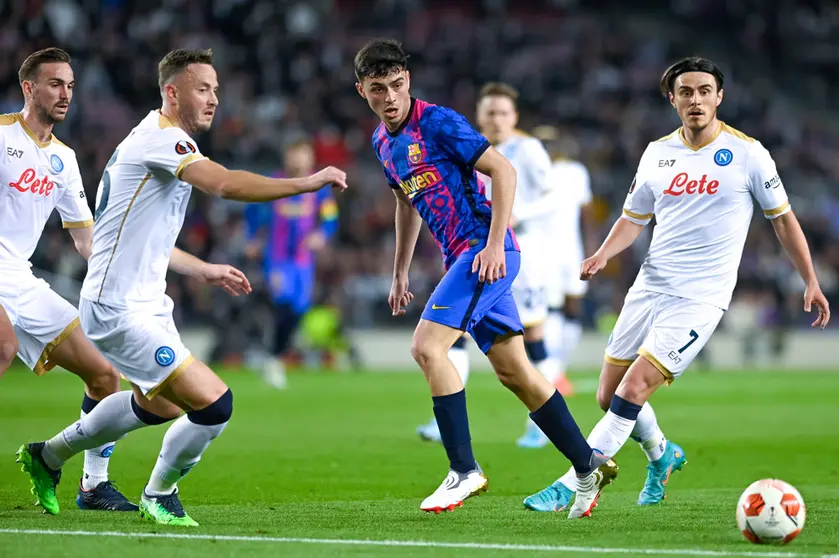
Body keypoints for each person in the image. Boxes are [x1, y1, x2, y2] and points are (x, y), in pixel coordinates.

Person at [17, 48, 347, 527]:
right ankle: (159, 493)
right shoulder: (161, 140)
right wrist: (306, 182)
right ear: (172, 92)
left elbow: (139, 239)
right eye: (202, 89)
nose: (214, 98)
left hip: (146, 303)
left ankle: (47, 456)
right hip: (117, 307)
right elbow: (228, 185)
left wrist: (202, 268)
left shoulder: (161, 142)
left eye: (215, 89)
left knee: (160, 404)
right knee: (216, 404)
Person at [524, 56, 831, 514]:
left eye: (705, 91)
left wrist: (810, 279)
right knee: (608, 395)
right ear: (672, 99)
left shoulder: (749, 153)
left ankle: (576, 480)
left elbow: (783, 221)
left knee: (633, 390)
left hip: (701, 296)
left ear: (719, 97)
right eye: (686, 92)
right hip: (649, 286)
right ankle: (662, 454)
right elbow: (633, 218)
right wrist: (603, 254)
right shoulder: (657, 153)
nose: (696, 100)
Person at [355, 38, 616, 518]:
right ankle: (587, 465)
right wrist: (399, 271)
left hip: (484, 253)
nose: (390, 96)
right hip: (466, 256)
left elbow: (503, 169)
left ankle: (463, 470)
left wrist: (495, 243)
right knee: (515, 372)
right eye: (378, 89)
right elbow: (404, 202)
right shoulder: (382, 143)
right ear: (362, 91)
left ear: (408, 80)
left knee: (426, 347)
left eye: (396, 85)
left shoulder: (437, 122)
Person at [3, 47, 144, 512]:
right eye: (54, 84)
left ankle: (93, 485)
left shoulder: (63, 159)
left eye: (70, 85)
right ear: (29, 88)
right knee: (1, 347)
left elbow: (88, 242)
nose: (65, 94)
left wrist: (128, 277)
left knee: (105, 374)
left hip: (20, 281)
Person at [245, 138, 339, 388]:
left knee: (299, 311)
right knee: (283, 303)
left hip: (303, 261)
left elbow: (330, 218)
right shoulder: (274, 182)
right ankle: (272, 358)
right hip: (277, 258)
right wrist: (253, 237)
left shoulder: (319, 188)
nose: (299, 160)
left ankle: (271, 355)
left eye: (303, 155)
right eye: (295, 154)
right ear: (287, 157)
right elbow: (253, 209)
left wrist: (322, 234)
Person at [532, 125, 596, 387]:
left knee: (573, 308)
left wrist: (593, 247)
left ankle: (559, 367)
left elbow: (587, 213)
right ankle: (554, 371)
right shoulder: (532, 172)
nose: (547, 148)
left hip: (572, 251)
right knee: (552, 309)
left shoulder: (575, 172)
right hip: (542, 252)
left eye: (550, 143)